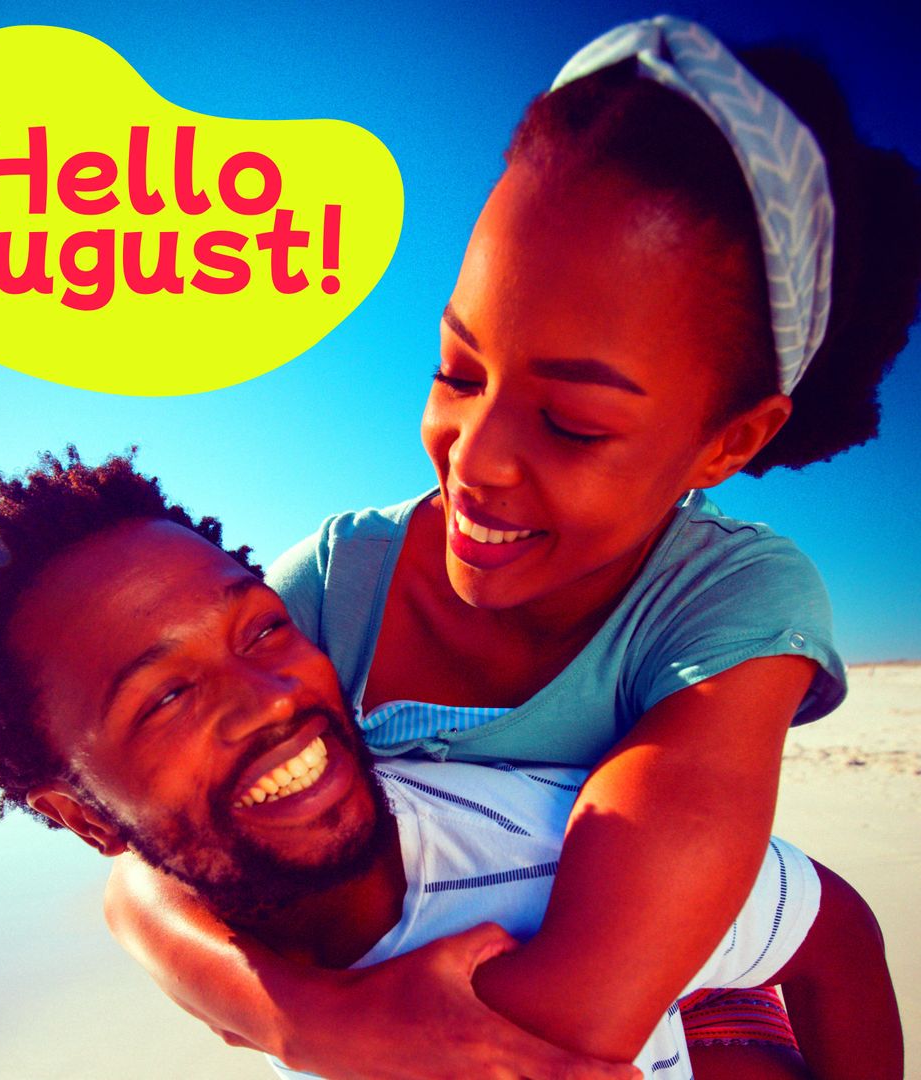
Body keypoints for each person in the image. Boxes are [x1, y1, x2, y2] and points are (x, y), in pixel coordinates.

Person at [103, 16, 921, 1080]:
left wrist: (334, 1021)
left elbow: (578, 1023)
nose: (474, 460)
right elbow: (142, 873)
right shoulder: (342, 585)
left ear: (728, 441)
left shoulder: (728, 604)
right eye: (459, 370)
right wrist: (307, 1023)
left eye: (574, 423)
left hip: (702, 1002)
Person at [0, 450, 899, 1080]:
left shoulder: (565, 848)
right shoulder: (230, 932)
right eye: (164, 696)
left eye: (262, 630)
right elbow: (139, 890)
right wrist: (303, 1019)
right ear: (86, 820)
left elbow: (833, 932)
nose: (268, 699)